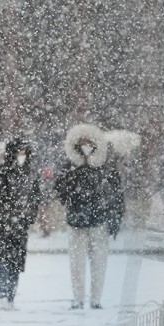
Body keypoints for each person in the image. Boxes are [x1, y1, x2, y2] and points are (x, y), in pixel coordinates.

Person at [54, 124, 124, 310]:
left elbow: (116, 195)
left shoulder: (106, 168)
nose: (86, 146)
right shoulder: (69, 168)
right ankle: (78, 298)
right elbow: (60, 192)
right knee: (76, 263)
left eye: (89, 142)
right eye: (82, 143)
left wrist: (115, 219)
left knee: (99, 263)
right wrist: (72, 187)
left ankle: (96, 298)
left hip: (98, 221)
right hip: (76, 221)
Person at [0, 137, 41, 310]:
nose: (21, 156)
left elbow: (35, 199)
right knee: (1, 261)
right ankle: (2, 295)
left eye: (24, 153)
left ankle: (11, 297)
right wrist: (0, 215)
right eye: (18, 152)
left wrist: (27, 217)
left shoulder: (30, 175)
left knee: (15, 263)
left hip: (19, 227)